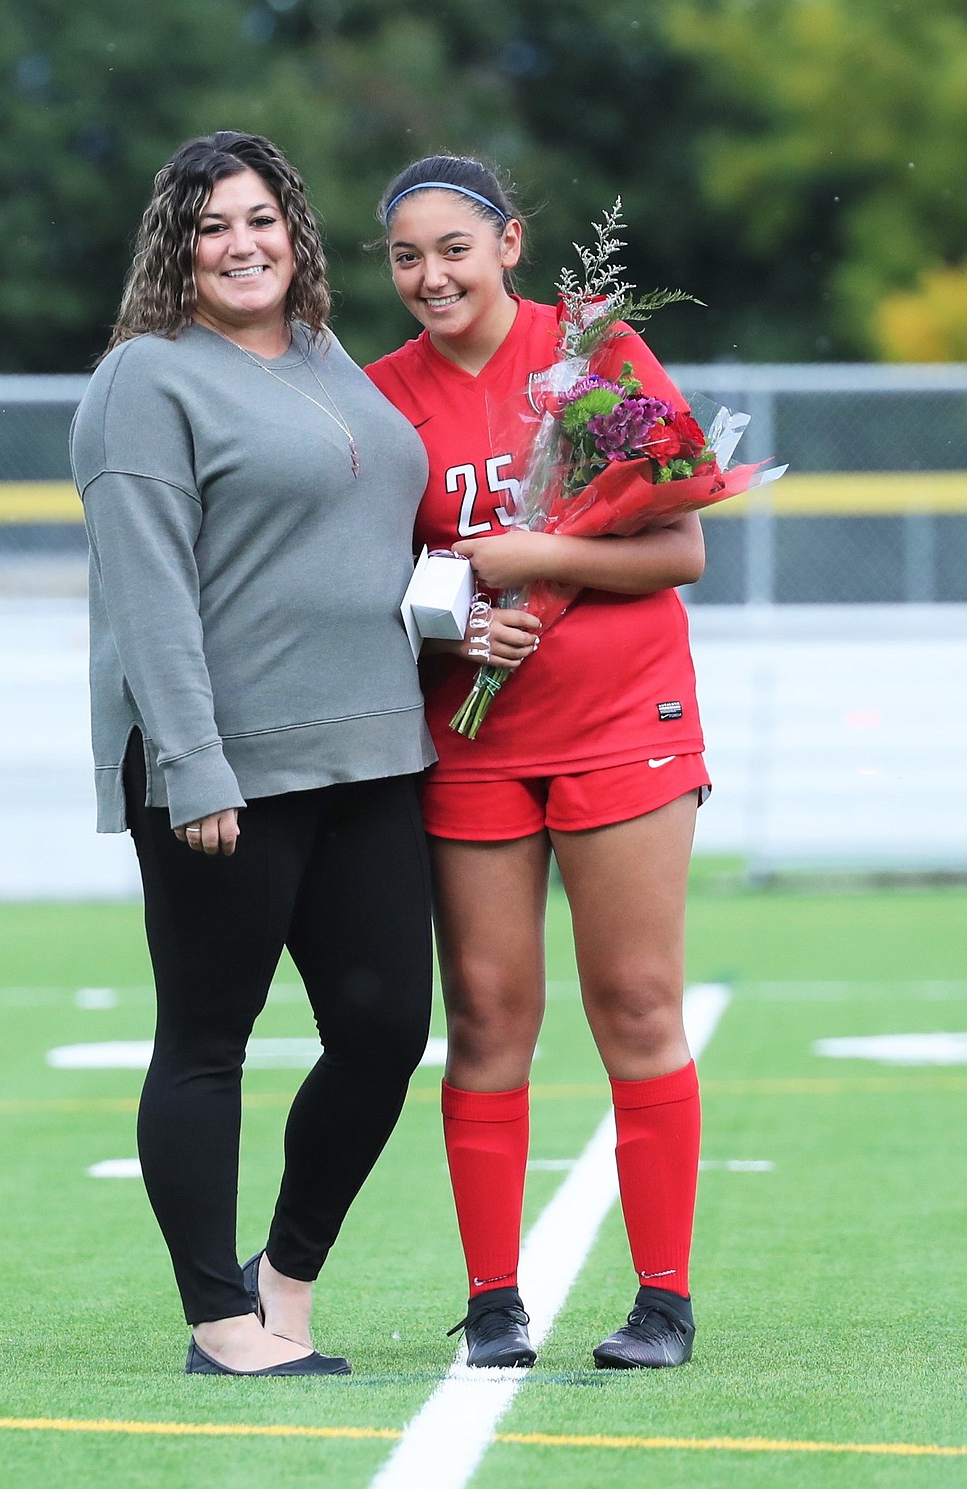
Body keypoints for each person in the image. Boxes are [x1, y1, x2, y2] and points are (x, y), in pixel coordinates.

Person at [70, 131, 436, 1378]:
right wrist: (191, 761)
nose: (244, 244)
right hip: (225, 765)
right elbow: (147, 591)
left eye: (263, 219)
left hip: (377, 750)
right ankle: (220, 1319)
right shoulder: (146, 380)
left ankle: (288, 1274)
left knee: (386, 1028)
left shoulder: (338, 362)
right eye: (215, 225)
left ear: (297, 233)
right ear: (178, 245)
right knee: (209, 1037)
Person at [366, 155, 710, 1371]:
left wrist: (529, 555)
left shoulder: (598, 354)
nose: (430, 275)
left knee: (635, 1003)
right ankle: (495, 1299)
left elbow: (679, 548)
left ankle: (662, 1299)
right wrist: (457, 614)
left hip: (624, 717)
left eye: (453, 247)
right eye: (406, 256)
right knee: (487, 1016)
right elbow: (378, 583)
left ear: (509, 243)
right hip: (475, 736)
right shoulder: (378, 397)